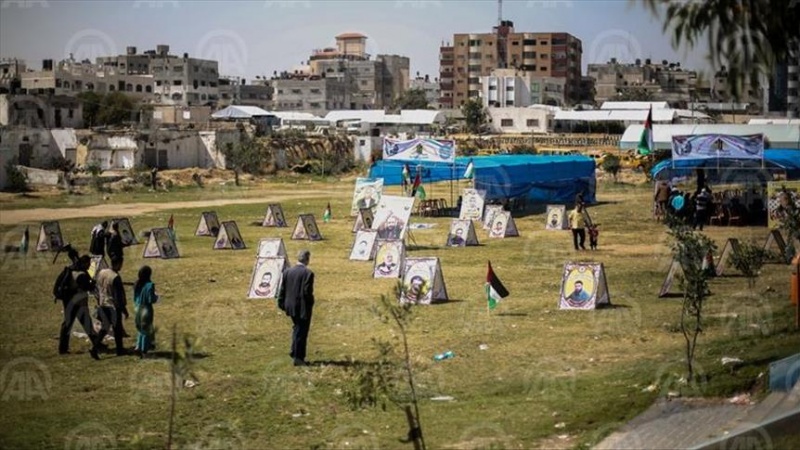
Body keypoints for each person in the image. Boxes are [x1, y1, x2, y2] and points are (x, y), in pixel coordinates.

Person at [58, 255, 101, 360]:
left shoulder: (74, 270)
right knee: (69, 324)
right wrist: (92, 282)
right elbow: (88, 287)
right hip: (75, 302)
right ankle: (62, 348)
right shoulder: (80, 275)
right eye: (88, 263)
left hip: (73, 301)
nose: (89, 265)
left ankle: (97, 343)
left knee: (86, 324)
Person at [277, 250, 316, 367]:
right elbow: (307, 292)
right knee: (302, 332)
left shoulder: (287, 271)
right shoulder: (308, 273)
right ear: (307, 259)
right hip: (302, 307)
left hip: (290, 305)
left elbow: (282, 289)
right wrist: (311, 303)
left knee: (296, 328)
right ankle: (299, 358)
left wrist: (281, 303)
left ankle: (294, 351)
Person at [95, 259, 128, 356]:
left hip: (102, 303)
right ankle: (120, 350)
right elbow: (118, 296)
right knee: (117, 329)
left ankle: (94, 348)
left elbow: (98, 287)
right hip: (112, 306)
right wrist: (124, 310)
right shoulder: (115, 277)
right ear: (118, 264)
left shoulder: (102, 272)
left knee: (105, 327)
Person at [133, 266, 159, 358]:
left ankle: (138, 346)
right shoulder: (150, 285)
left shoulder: (137, 284)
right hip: (146, 310)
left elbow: (135, 298)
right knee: (146, 331)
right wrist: (157, 297)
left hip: (137, 308)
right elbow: (150, 299)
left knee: (140, 329)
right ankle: (144, 351)